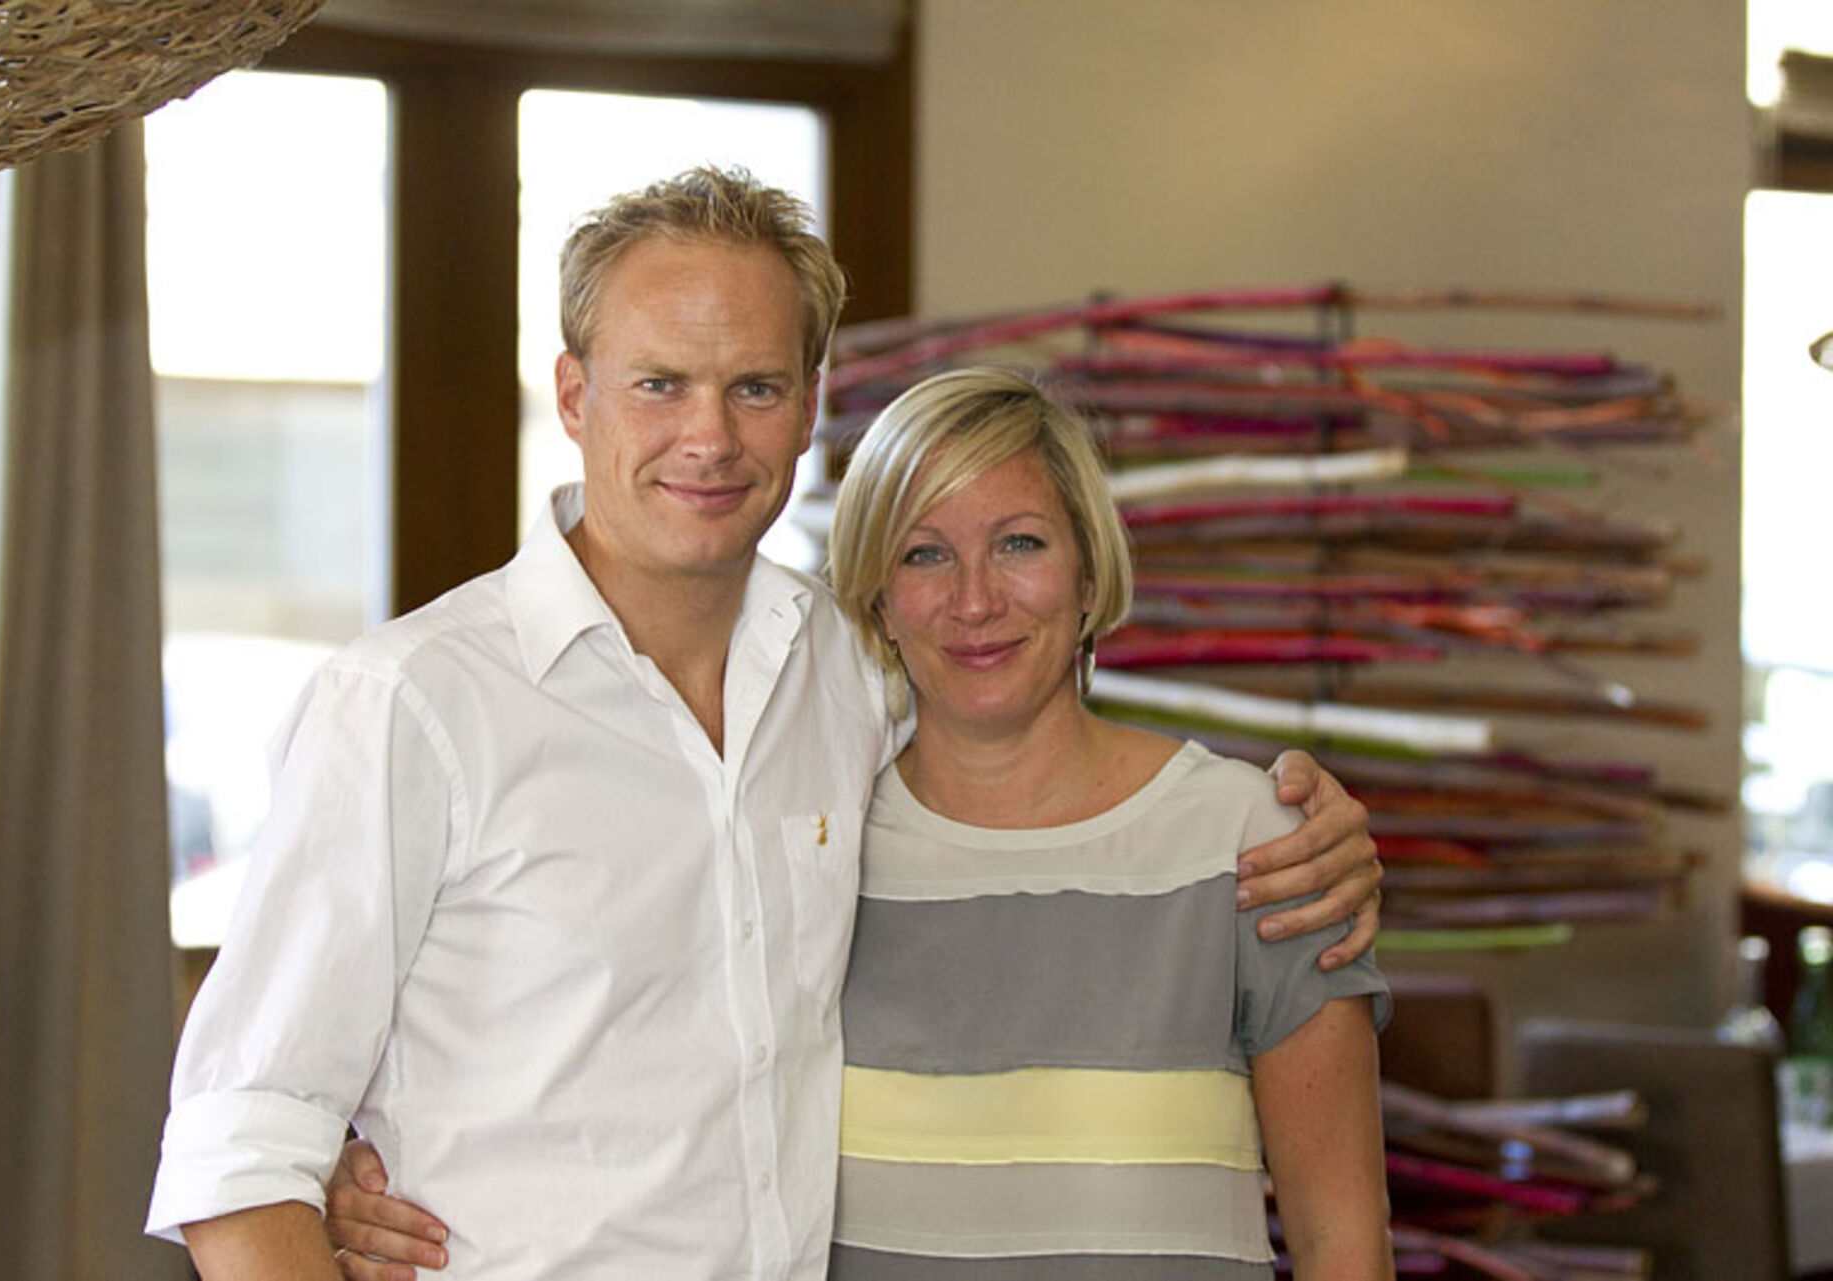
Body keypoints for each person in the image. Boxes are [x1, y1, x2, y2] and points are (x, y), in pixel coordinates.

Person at [149, 168, 1382, 1281]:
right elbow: (240, 1151)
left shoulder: (853, 672)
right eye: (660, 384)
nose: (709, 438)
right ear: (574, 394)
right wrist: (334, 1189)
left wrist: (1319, 828)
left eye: (754, 387)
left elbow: (1027, 766)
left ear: (807, 409)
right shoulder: (410, 706)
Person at [823, 367, 1392, 1277]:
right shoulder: (817, 849)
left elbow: (1343, 1245)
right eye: (923, 554)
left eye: (1019, 542)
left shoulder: (1252, 841)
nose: (975, 600)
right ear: (877, 597)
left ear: (1089, 573)